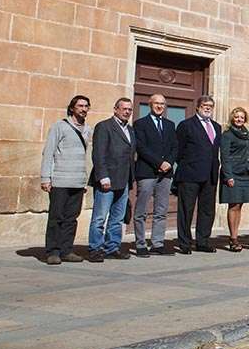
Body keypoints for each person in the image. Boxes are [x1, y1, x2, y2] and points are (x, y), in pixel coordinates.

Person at [41, 95, 92, 265]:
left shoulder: (88, 130)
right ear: (72, 108)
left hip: (78, 181)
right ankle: (53, 252)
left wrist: (86, 180)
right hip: (60, 180)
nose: (83, 109)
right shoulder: (59, 126)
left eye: (86, 106)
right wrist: (45, 177)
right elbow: (48, 152)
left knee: (72, 218)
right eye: (80, 106)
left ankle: (67, 250)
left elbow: (88, 157)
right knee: (56, 217)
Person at [86, 97, 135, 262]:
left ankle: (112, 247)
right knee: (100, 217)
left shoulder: (130, 130)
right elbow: (98, 154)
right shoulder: (104, 126)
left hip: (124, 180)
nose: (127, 112)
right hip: (106, 180)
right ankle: (95, 249)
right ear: (115, 109)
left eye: (129, 109)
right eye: (124, 109)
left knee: (118, 218)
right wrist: (103, 176)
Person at [174, 96, 222, 254]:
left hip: (210, 175)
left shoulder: (217, 126)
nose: (207, 108)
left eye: (210, 106)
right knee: (186, 210)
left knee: (207, 210)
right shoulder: (186, 125)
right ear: (198, 107)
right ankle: (185, 243)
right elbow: (178, 150)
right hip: (190, 174)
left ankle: (203, 241)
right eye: (204, 105)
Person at [133, 94, 177, 257]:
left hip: (165, 174)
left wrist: (169, 163)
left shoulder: (170, 124)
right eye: (156, 103)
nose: (159, 106)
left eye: (162, 104)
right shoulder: (140, 124)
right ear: (150, 105)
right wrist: (159, 163)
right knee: (142, 210)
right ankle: (140, 244)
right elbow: (141, 148)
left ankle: (158, 243)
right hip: (147, 172)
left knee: (161, 210)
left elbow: (175, 147)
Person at [219, 107, 249, 252]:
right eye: (237, 117)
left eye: (242, 117)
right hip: (233, 174)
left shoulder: (247, 134)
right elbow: (224, 157)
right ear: (232, 118)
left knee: (240, 206)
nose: (239, 119)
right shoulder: (227, 134)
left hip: (244, 174)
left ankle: (235, 235)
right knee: (233, 206)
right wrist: (228, 176)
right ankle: (233, 239)